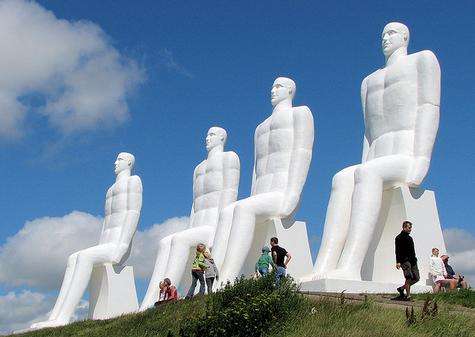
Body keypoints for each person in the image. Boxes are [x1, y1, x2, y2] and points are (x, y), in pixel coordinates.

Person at [312, 22, 441, 282]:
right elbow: (369, 132)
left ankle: (351, 265)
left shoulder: (422, 60)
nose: (385, 38)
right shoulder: (368, 81)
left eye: (391, 33)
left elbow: (429, 107)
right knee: (342, 178)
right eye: (382, 34)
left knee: (367, 174)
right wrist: (362, 166)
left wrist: (422, 159)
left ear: (405, 37)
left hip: (405, 155)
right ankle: (323, 266)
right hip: (378, 158)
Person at [211, 77, 314, 285]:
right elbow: (256, 170)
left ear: (290, 91)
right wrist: (251, 197)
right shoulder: (260, 128)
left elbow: (302, 153)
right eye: (272, 86)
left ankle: (228, 278)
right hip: (261, 194)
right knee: (227, 212)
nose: (273, 90)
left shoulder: (300, 113)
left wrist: (292, 195)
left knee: (243, 210)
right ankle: (214, 273)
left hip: (281, 192)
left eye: (279, 86)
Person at [31, 152, 143, 329]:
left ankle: (64, 317)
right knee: (73, 257)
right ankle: (55, 316)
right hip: (105, 243)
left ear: (129, 162)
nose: (115, 163)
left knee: (83, 257)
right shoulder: (110, 190)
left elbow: (133, 213)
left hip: (118, 245)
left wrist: (123, 245)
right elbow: (106, 223)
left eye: (119, 159)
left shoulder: (133, 181)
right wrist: (99, 246)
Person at [141, 127, 239, 310]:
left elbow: (229, 196)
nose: (207, 138)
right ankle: (149, 300)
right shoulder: (198, 168)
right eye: (207, 134)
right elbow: (194, 205)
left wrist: (221, 229)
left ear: (222, 138)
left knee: (179, 239)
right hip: (197, 225)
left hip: (213, 225)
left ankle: (170, 293)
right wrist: (189, 228)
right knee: (165, 242)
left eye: (212, 134)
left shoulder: (229, 158)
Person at [394, 221, 419, 300]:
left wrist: (415, 259)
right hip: (404, 261)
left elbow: (412, 250)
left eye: (411, 228)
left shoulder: (410, 238)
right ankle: (408, 296)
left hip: (413, 261)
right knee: (408, 277)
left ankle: (401, 288)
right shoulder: (399, 238)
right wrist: (398, 262)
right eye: (409, 227)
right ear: (404, 227)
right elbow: (397, 251)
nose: (410, 229)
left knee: (416, 278)